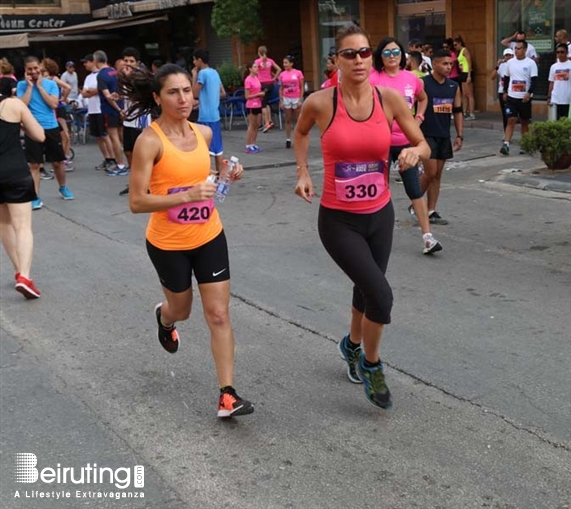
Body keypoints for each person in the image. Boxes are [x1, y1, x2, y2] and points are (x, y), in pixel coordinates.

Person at [294, 24, 430, 409]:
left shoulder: (388, 99)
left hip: (379, 214)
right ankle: (371, 365)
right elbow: (301, 133)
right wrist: (303, 171)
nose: (358, 59)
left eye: (364, 52)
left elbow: (421, 141)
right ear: (335, 59)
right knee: (380, 296)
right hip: (339, 220)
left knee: (365, 288)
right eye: (349, 53)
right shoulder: (320, 102)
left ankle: (351, 345)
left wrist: (413, 153)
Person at [122, 63, 253, 418]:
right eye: (173, 92)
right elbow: (137, 201)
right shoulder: (149, 142)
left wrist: (227, 174)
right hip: (168, 242)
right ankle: (165, 320)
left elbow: (203, 175)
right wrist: (187, 196)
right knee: (182, 309)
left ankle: (227, 395)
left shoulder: (204, 134)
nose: (183, 99)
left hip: (209, 234)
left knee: (219, 313)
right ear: (157, 97)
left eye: (186, 91)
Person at [370, 37, 441, 256]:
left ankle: (427, 237)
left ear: (403, 55)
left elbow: (423, 98)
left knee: (414, 188)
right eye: (387, 53)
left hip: (405, 144)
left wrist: (418, 117)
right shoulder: (373, 78)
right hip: (378, 142)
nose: (392, 57)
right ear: (380, 57)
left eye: (396, 52)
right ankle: (370, 234)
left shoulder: (411, 78)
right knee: (376, 189)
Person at [0, 76, 45, 298]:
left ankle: (18, 270)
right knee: (22, 225)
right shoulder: (14, 105)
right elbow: (39, 134)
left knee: (3, 223)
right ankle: (25, 276)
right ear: (11, 91)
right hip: (15, 171)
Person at [16, 56, 75, 209]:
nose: (33, 71)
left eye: (35, 68)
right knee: (34, 164)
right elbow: (22, 105)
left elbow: (54, 104)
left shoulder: (51, 84)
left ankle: (63, 187)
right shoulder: (21, 85)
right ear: (26, 70)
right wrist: (30, 87)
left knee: (57, 162)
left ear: (39, 68)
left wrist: (40, 87)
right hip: (32, 128)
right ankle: (35, 196)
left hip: (51, 127)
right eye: (30, 69)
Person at [419, 48, 464, 225]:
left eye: (450, 64)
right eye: (444, 64)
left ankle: (431, 210)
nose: (448, 67)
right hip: (425, 134)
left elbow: (458, 111)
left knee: (437, 175)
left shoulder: (453, 86)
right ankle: (416, 202)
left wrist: (460, 134)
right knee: (429, 172)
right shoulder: (423, 83)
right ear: (434, 64)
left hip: (443, 135)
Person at [499, 39, 538, 156]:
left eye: (519, 48)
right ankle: (506, 144)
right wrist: (505, 91)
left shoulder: (531, 63)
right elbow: (506, 78)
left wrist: (529, 93)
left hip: (524, 98)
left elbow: (534, 80)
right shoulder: (510, 63)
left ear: (525, 50)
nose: (516, 50)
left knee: (524, 122)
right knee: (511, 119)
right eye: (515, 48)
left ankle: (525, 145)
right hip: (511, 97)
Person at [191, 48, 226, 173]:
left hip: (205, 116)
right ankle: (220, 177)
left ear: (199, 60)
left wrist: (194, 76)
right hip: (215, 115)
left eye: (194, 60)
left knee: (204, 149)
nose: (194, 63)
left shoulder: (202, 74)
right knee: (218, 149)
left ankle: (207, 175)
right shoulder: (215, 72)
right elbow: (223, 93)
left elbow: (194, 93)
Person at [81, 53, 115, 172]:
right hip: (92, 109)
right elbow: (84, 93)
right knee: (98, 136)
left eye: (86, 62)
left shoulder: (101, 75)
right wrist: (92, 91)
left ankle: (113, 158)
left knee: (105, 136)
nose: (85, 64)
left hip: (101, 109)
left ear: (93, 61)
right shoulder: (88, 77)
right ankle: (106, 158)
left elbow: (101, 90)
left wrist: (93, 91)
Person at [95, 50, 126, 173]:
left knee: (114, 138)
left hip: (110, 110)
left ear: (96, 61)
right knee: (121, 136)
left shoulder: (101, 75)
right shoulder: (115, 72)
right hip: (121, 107)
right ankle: (129, 163)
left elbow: (108, 96)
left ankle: (120, 164)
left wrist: (117, 109)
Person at [40, 58, 74, 172]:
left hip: (57, 108)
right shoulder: (51, 79)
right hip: (58, 107)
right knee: (63, 134)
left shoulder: (52, 78)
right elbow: (67, 87)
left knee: (64, 135)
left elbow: (68, 87)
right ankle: (65, 158)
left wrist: (62, 98)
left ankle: (64, 159)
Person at [278, 55, 304, 149]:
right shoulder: (282, 74)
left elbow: (301, 87)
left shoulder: (298, 73)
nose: (284, 64)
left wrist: (300, 99)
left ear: (291, 63)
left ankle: (299, 138)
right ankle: (288, 139)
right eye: (284, 63)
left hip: (296, 97)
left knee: (298, 119)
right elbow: (280, 88)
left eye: (286, 63)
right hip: (286, 97)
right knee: (288, 119)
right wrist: (281, 100)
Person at [255, 46, 281, 132]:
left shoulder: (258, 62)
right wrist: (274, 78)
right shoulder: (270, 61)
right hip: (270, 84)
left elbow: (254, 71)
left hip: (262, 84)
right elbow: (279, 69)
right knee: (267, 103)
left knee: (263, 104)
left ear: (259, 53)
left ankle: (266, 123)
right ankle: (269, 121)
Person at [243, 62, 265, 154]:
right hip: (251, 104)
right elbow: (247, 96)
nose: (257, 68)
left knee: (257, 124)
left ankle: (253, 143)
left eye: (257, 67)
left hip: (258, 103)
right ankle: (248, 145)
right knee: (251, 125)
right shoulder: (248, 80)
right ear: (250, 69)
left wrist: (261, 95)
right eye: (255, 67)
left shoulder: (257, 78)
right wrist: (258, 94)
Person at [491, 48, 514, 131]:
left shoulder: (515, 65)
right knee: (505, 113)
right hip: (502, 91)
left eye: (510, 55)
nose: (508, 57)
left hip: (512, 92)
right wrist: (497, 66)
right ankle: (506, 132)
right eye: (506, 55)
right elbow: (492, 77)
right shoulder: (502, 65)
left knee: (511, 114)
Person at [453, 36, 476, 120]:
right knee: (464, 94)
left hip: (467, 72)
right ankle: (465, 111)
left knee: (470, 94)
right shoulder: (459, 52)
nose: (455, 47)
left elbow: (469, 62)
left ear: (460, 43)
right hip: (462, 73)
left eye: (456, 45)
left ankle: (472, 113)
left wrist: (469, 75)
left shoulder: (465, 50)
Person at [547, 43, 571, 120]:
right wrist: (549, 97)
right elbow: (551, 82)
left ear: (567, 53)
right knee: (554, 122)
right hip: (555, 100)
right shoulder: (553, 67)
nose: (560, 54)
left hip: (568, 100)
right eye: (558, 52)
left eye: (562, 52)